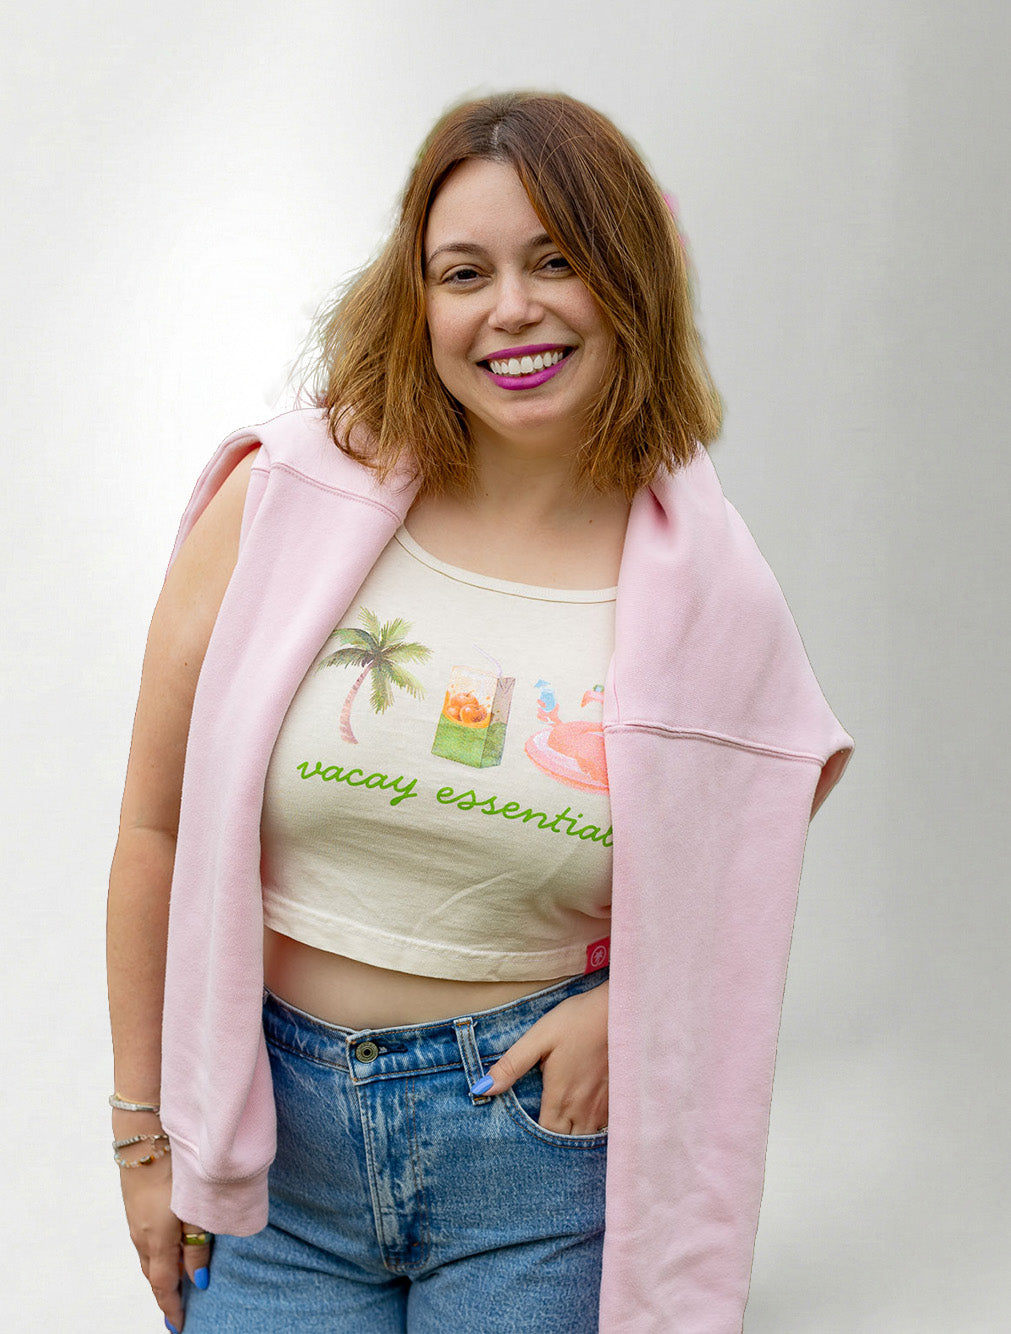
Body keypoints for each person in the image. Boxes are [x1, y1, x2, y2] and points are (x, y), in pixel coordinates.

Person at [107, 91, 853, 1333]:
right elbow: (154, 832)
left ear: (627, 283)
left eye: (555, 259)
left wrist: (633, 1003)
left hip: (532, 1160)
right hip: (274, 1147)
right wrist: (143, 1138)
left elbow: (755, 819)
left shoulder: (701, 580)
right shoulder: (278, 499)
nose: (510, 307)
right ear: (421, 301)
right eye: (465, 271)